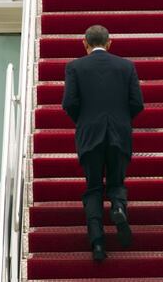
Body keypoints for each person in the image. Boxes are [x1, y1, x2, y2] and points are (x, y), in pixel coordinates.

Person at [62, 25, 144, 261]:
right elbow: (137, 103)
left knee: (94, 187)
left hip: (90, 133)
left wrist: (85, 121)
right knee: (117, 181)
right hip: (119, 132)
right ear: (110, 43)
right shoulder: (126, 66)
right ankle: (118, 208)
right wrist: (121, 120)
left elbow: (69, 103)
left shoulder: (74, 67)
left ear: (84, 43)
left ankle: (98, 242)